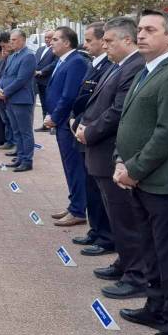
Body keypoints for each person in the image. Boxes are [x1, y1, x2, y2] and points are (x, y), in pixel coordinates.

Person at [113, 11, 168, 335]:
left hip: (167, 184)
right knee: (151, 252)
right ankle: (156, 307)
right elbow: (130, 121)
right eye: (140, 29)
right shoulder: (147, 70)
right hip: (144, 181)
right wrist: (122, 161)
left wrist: (133, 169)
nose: (142, 35)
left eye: (151, 30)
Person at [75, 17, 146, 300]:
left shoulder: (134, 66)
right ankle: (125, 263)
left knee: (125, 218)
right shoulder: (118, 66)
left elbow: (118, 111)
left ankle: (136, 275)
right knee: (116, 216)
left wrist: (89, 131)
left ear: (127, 40)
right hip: (100, 151)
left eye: (109, 41)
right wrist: (82, 124)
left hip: (110, 150)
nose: (105, 46)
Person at [69, 22, 113, 253]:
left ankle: (105, 236)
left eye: (89, 40)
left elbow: (101, 105)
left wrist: (83, 124)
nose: (85, 45)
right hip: (84, 131)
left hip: (95, 134)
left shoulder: (109, 66)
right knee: (91, 187)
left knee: (99, 190)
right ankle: (96, 230)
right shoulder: (94, 64)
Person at [44, 26, 89, 226]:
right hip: (60, 121)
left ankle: (78, 210)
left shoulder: (76, 61)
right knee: (69, 166)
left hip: (66, 122)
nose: (51, 42)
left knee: (74, 167)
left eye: (55, 39)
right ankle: (74, 205)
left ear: (67, 42)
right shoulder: (63, 60)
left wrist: (54, 117)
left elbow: (69, 95)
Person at [0, 29, 36, 172]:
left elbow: (21, 80)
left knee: (25, 132)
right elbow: (5, 76)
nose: (11, 43)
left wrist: (5, 92)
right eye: (10, 40)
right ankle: (20, 157)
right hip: (10, 99)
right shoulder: (12, 56)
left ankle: (27, 160)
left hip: (21, 100)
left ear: (23, 40)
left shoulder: (28, 56)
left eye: (14, 40)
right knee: (16, 131)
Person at [34, 30, 57, 131]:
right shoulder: (40, 49)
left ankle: (52, 125)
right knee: (43, 104)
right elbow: (35, 62)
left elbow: (54, 64)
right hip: (38, 81)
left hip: (48, 81)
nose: (47, 39)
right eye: (46, 37)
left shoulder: (55, 50)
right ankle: (45, 125)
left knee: (51, 103)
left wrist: (42, 71)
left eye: (49, 37)